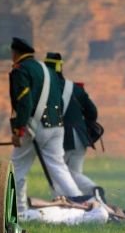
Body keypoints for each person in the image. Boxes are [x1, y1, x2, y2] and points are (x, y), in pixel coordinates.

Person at [8, 38, 84, 212]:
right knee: (59, 168)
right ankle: (82, 204)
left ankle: (19, 211)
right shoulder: (47, 70)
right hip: (56, 125)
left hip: (35, 126)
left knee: (16, 169)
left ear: (15, 53)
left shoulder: (21, 70)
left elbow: (25, 103)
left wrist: (18, 132)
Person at [43, 52, 105, 199]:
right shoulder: (76, 88)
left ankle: (61, 204)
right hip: (81, 136)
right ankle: (93, 189)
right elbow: (92, 113)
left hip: (61, 139)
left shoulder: (46, 90)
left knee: (56, 172)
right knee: (75, 173)